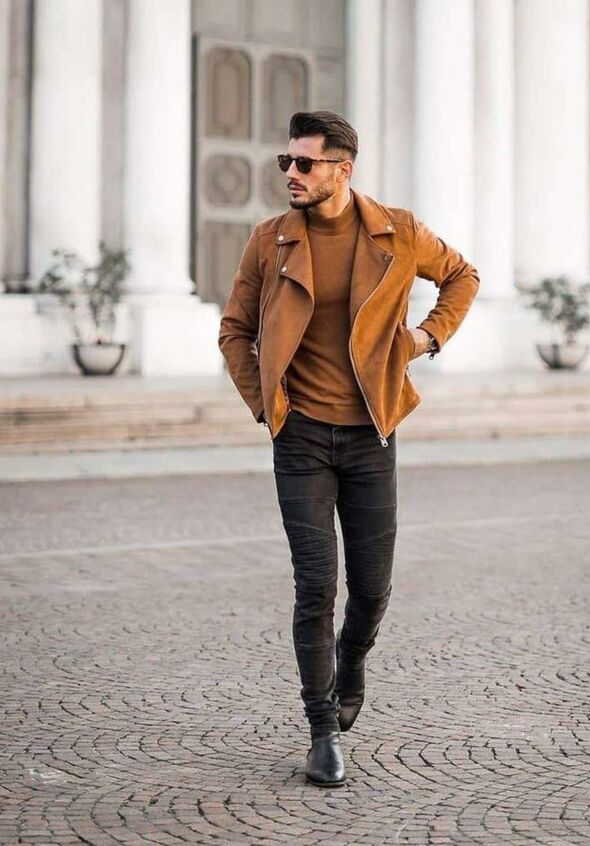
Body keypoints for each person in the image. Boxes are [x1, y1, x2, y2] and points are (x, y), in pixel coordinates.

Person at [218, 111, 480, 788]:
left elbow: (462, 276)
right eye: (287, 162)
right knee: (315, 585)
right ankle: (321, 730)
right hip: (300, 436)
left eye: (305, 164)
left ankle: (352, 659)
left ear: (342, 169)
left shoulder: (397, 230)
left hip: (371, 436)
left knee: (371, 589)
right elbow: (234, 330)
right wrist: (266, 404)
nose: (292, 174)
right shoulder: (269, 240)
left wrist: (426, 338)